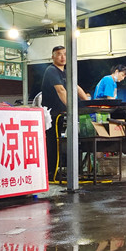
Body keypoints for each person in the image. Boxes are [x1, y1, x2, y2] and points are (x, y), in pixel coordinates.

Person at [40, 45, 90, 175]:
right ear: (53, 57)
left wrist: (88, 103)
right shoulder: (51, 70)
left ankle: (57, 170)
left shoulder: (66, 72)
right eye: (59, 54)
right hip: (52, 115)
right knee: (52, 142)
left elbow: (76, 87)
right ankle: (51, 172)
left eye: (65, 54)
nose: (62, 57)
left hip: (61, 113)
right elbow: (61, 90)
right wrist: (72, 108)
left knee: (58, 142)